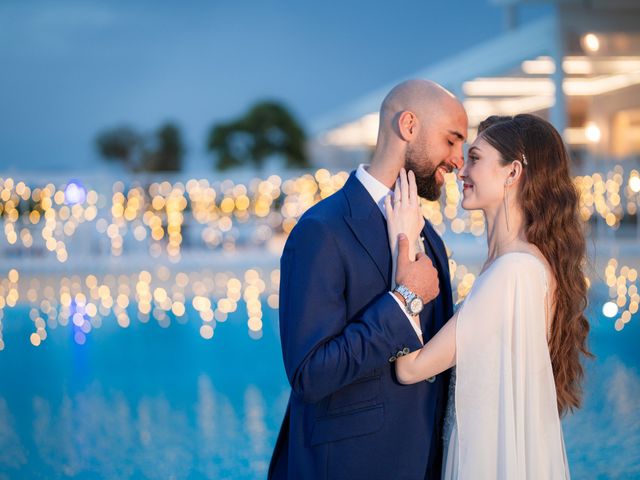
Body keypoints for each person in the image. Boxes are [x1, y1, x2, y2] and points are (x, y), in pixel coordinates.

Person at [268, 79, 467, 479]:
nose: (458, 160)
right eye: (452, 140)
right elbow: (310, 373)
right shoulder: (322, 230)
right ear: (408, 126)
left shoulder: (434, 242)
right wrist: (405, 300)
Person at [387, 114, 593, 479]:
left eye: (476, 159)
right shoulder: (518, 266)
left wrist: (400, 252)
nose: (461, 171)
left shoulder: (511, 272)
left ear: (513, 172)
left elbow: (410, 368)